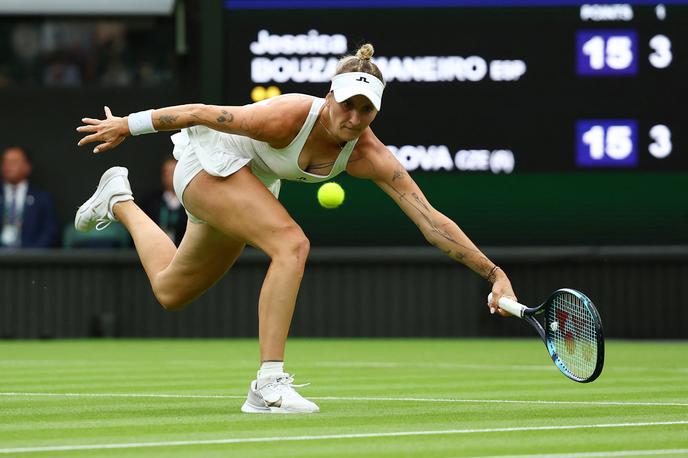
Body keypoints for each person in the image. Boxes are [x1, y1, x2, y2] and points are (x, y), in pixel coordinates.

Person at [75, 44, 517, 414]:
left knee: (171, 291)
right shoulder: (287, 116)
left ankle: (119, 198)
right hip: (210, 164)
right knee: (292, 243)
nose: (355, 118)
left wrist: (494, 273)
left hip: (250, 183)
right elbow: (199, 112)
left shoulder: (368, 154)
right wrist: (126, 126)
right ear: (330, 97)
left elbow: (430, 220)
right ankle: (268, 385)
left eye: (367, 110)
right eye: (348, 105)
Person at [1, 146, 58, 248]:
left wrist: (32, 256)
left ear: (27, 167)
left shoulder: (42, 198)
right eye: (5, 162)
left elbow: (50, 232)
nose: (8, 166)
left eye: (13, 162)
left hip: (30, 259)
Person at [140, 157, 187, 245]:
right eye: (167, 173)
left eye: (174, 173)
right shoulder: (151, 201)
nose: (171, 177)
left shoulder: (190, 203)